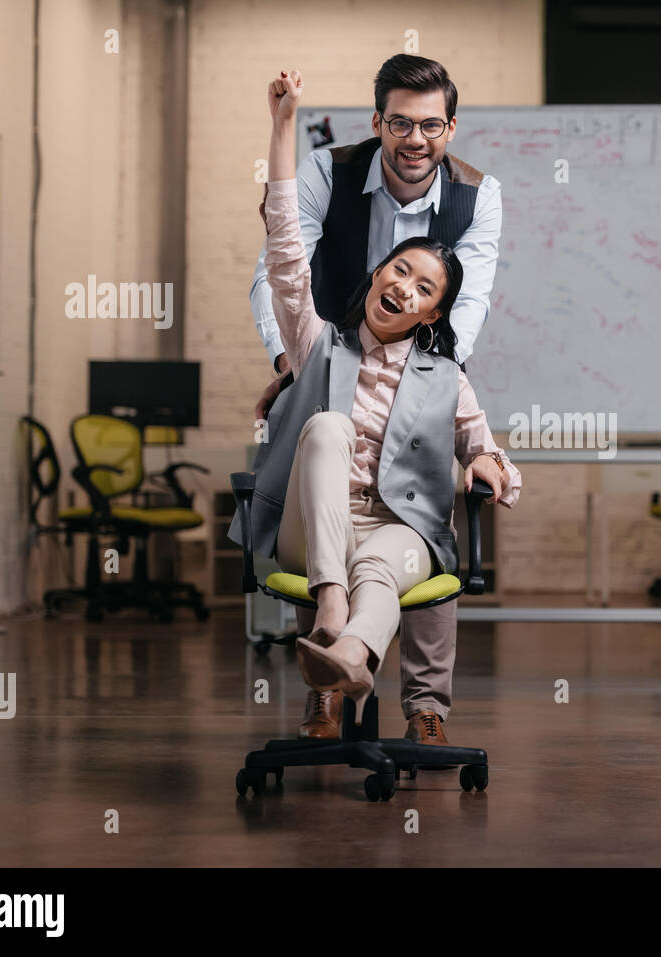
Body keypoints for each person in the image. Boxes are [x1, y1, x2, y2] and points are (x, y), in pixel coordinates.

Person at [239, 68, 521, 734]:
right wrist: (281, 128)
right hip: (317, 519)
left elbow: (483, 440)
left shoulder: (442, 369)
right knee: (327, 424)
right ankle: (335, 625)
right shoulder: (320, 346)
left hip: (396, 524)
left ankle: (347, 661)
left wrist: (484, 458)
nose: (405, 288)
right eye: (399, 270)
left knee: (382, 566)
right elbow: (283, 254)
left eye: (425, 288)